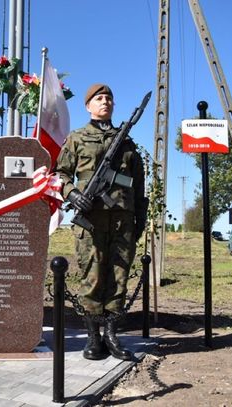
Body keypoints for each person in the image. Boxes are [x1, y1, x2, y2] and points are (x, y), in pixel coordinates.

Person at [55, 84, 148, 361]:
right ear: (88, 106)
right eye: (99, 98)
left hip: (122, 222)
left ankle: (112, 335)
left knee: (118, 280)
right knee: (92, 278)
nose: (105, 101)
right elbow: (60, 174)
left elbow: (139, 187)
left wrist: (139, 221)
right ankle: (94, 338)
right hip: (91, 221)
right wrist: (73, 194)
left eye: (109, 98)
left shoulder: (128, 142)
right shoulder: (77, 138)